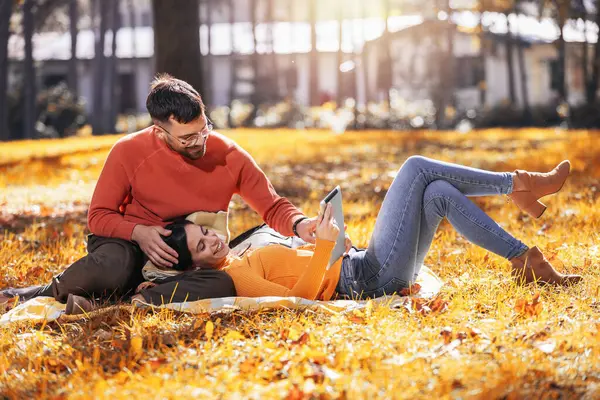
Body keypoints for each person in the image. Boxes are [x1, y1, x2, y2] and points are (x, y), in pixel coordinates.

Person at [0, 74, 317, 311]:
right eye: (186, 138)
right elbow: (98, 217)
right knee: (116, 264)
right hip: (126, 244)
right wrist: (139, 233)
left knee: (226, 281)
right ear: (159, 130)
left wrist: (302, 225)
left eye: (202, 128)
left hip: (188, 260)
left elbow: (272, 205)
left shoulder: (229, 155)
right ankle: (43, 294)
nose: (199, 141)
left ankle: (125, 301)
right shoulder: (129, 151)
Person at [126, 156, 583, 303]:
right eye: (202, 246)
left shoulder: (247, 248)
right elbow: (297, 302)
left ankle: (525, 261)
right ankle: (519, 185)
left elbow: (308, 263)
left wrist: (328, 238)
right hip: (366, 279)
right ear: (198, 263)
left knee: (438, 191)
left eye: (203, 232)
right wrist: (326, 249)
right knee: (417, 167)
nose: (212, 239)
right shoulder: (236, 276)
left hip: (359, 261)